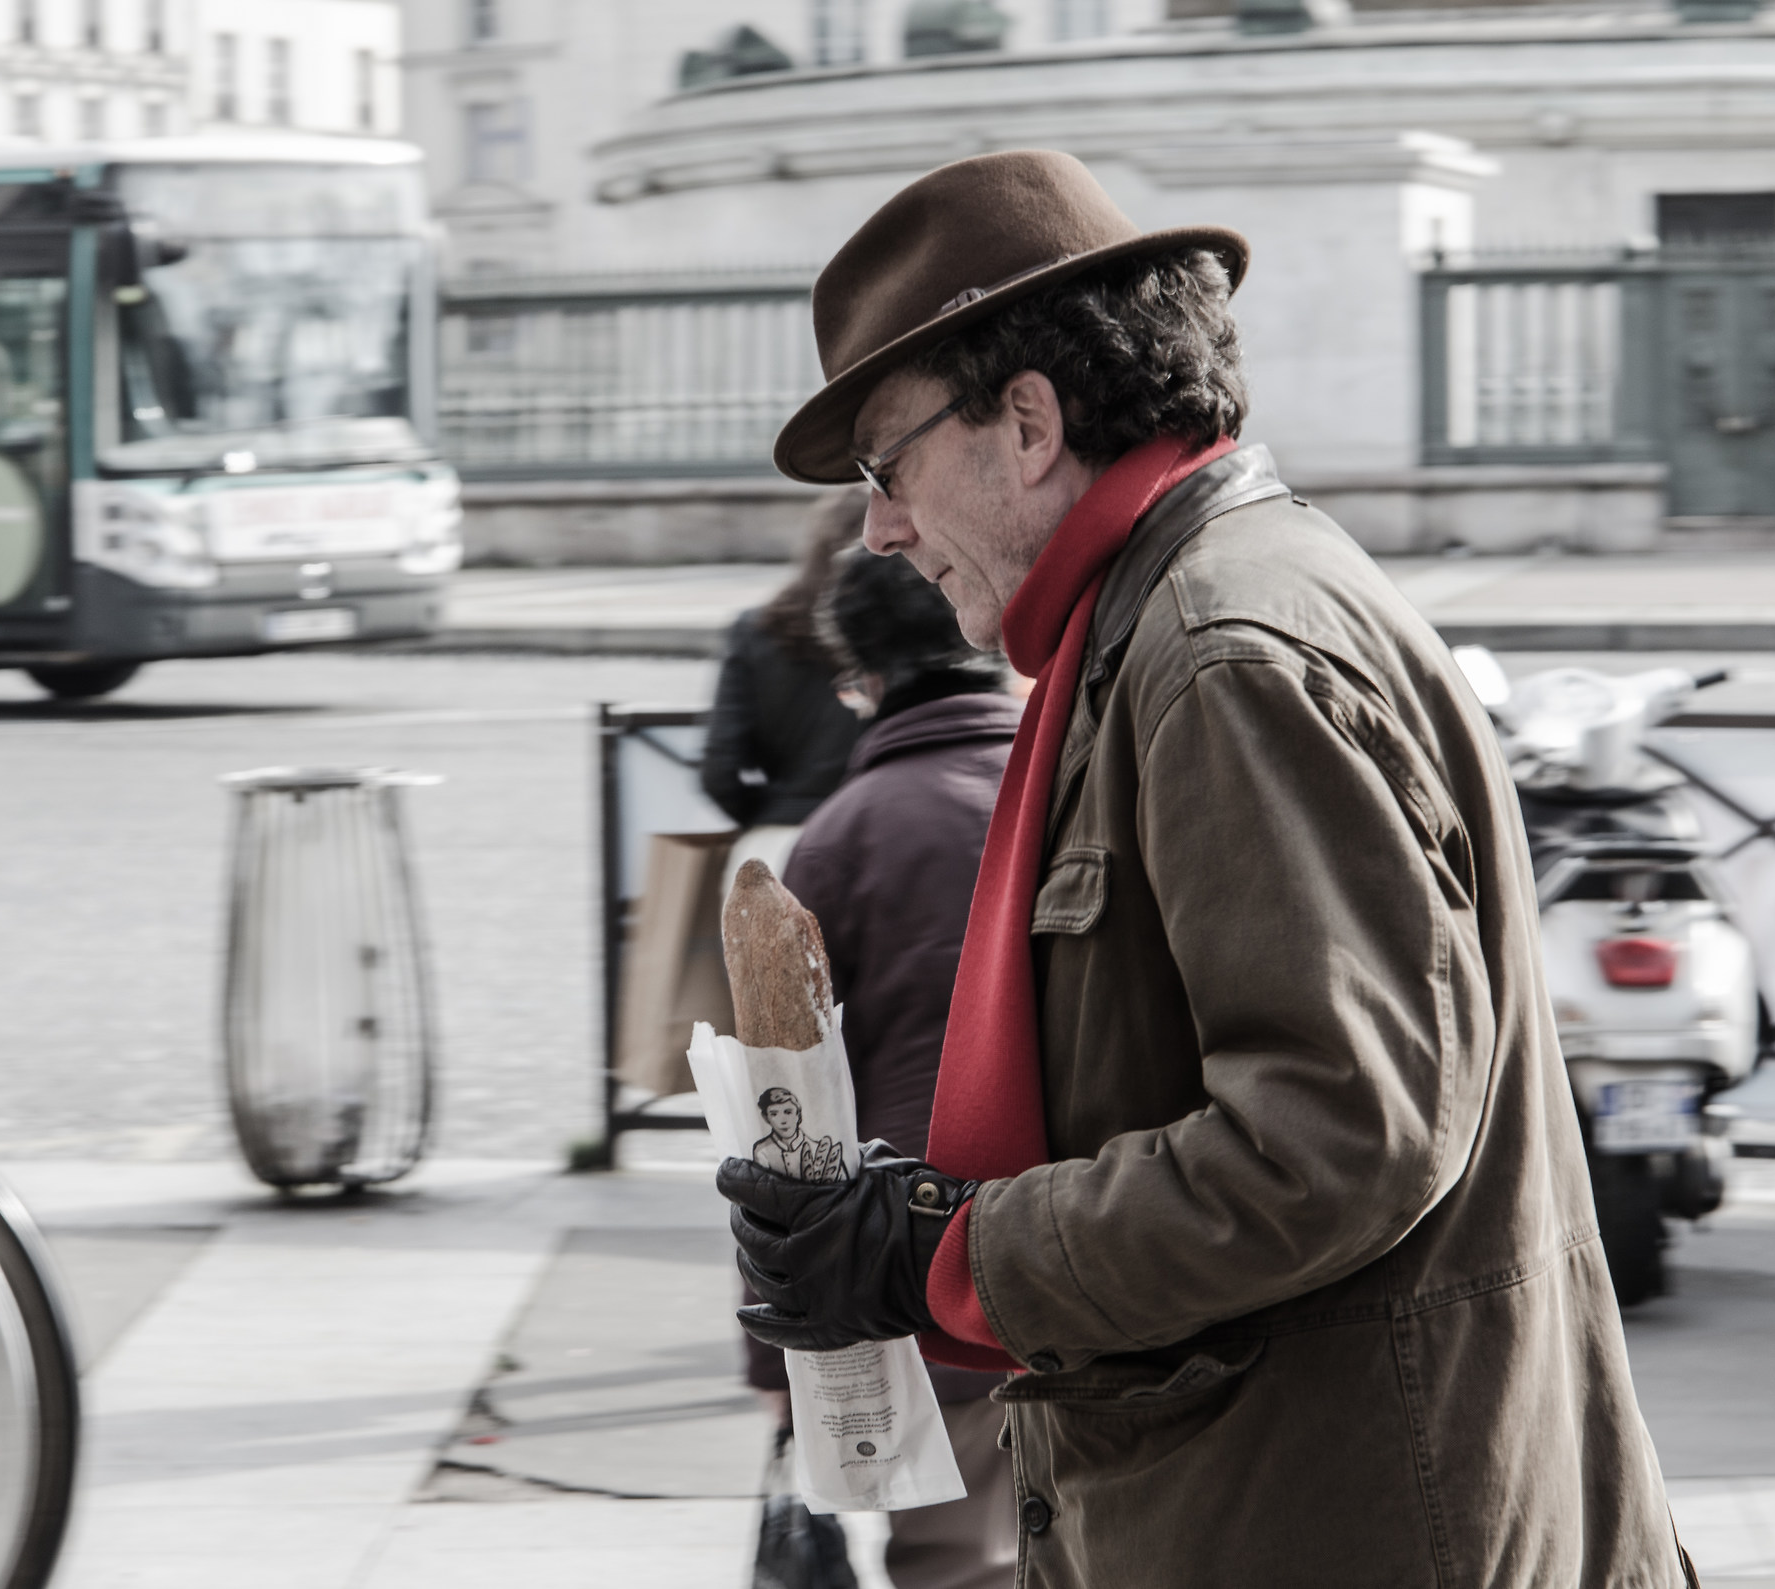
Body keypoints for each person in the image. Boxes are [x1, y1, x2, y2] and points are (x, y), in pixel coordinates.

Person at [716, 150, 1691, 1585]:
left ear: (1027, 422)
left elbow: (1336, 1140)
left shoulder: (1222, 654)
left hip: (1340, 1523)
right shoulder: (1175, 618)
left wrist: (947, 1251)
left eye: (887, 463)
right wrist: (921, 1219)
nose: (880, 528)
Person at [779, 546, 1023, 1589]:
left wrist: (774, 1347)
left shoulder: (841, 838)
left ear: (866, 678)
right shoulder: (1082, 778)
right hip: (1117, 1257)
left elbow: (785, 1124)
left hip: (931, 1279)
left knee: (956, 1561)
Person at [699, 490, 867, 889]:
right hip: (870, 841)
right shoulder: (894, 634)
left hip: (776, 849)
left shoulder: (756, 631)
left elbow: (719, 769)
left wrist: (774, 811)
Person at [748, 1087, 847, 1182]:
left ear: (798, 1115)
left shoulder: (818, 1150)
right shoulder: (762, 1151)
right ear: (766, 1118)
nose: (783, 1121)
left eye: (788, 1112)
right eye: (774, 1114)